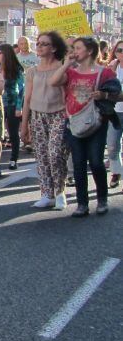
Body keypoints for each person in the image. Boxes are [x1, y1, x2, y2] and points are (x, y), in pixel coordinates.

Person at [50, 37, 120, 217]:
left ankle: (102, 199)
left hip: (96, 122)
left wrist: (104, 95)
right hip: (74, 121)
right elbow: (54, 81)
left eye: (77, 48)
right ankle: (82, 204)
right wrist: (66, 64)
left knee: (96, 162)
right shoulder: (72, 72)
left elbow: (119, 95)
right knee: (79, 163)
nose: (74, 51)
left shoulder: (104, 72)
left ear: (89, 51)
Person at [20, 31, 69, 210]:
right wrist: (24, 125)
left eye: (44, 44)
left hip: (59, 114)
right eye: (38, 43)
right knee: (41, 156)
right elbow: (27, 99)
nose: (39, 46)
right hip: (37, 116)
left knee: (56, 154)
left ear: (54, 48)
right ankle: (47, 194)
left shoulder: (62, 67)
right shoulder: (32, 71)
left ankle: (60, 192)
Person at [0, 44, 25, 170]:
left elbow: (22, 89)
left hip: (12, 103)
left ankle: (14, 159)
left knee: (13, 133)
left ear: (5, 54)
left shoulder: (16, 68)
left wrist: (19, 107)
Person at [106, 40, 123, 188]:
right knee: (112, 146)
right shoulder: (112, 68)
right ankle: (117, 172)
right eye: (119, 50)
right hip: (114, 112)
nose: (121, 53)